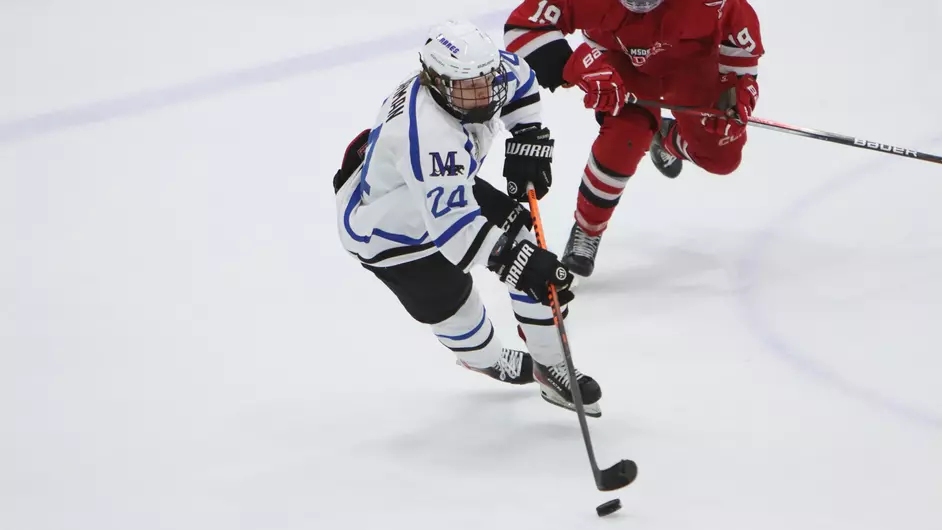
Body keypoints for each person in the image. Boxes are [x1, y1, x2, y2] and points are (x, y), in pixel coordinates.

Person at [332, 20, 603, 416]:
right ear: (436, 82)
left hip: (440, 194)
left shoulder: (479, 75)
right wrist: (517, 263)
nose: (483, 93)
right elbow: (457, 236)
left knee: (522, 237)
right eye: (468, 87)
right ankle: (485, 360)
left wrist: (526, 135)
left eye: (486, 80)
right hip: (392, 235)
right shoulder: (429, 137)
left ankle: (552, 365)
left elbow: (521, 78)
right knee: (462, 317)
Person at [504, 0, 765, 276]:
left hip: (692, 62)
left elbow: (739, 32)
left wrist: (738, 87)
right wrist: (580, 68)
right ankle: (587, 228)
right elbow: (523, 27)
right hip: (619, 59)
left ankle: (665, 138)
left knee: (722, 157)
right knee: (624, 137)